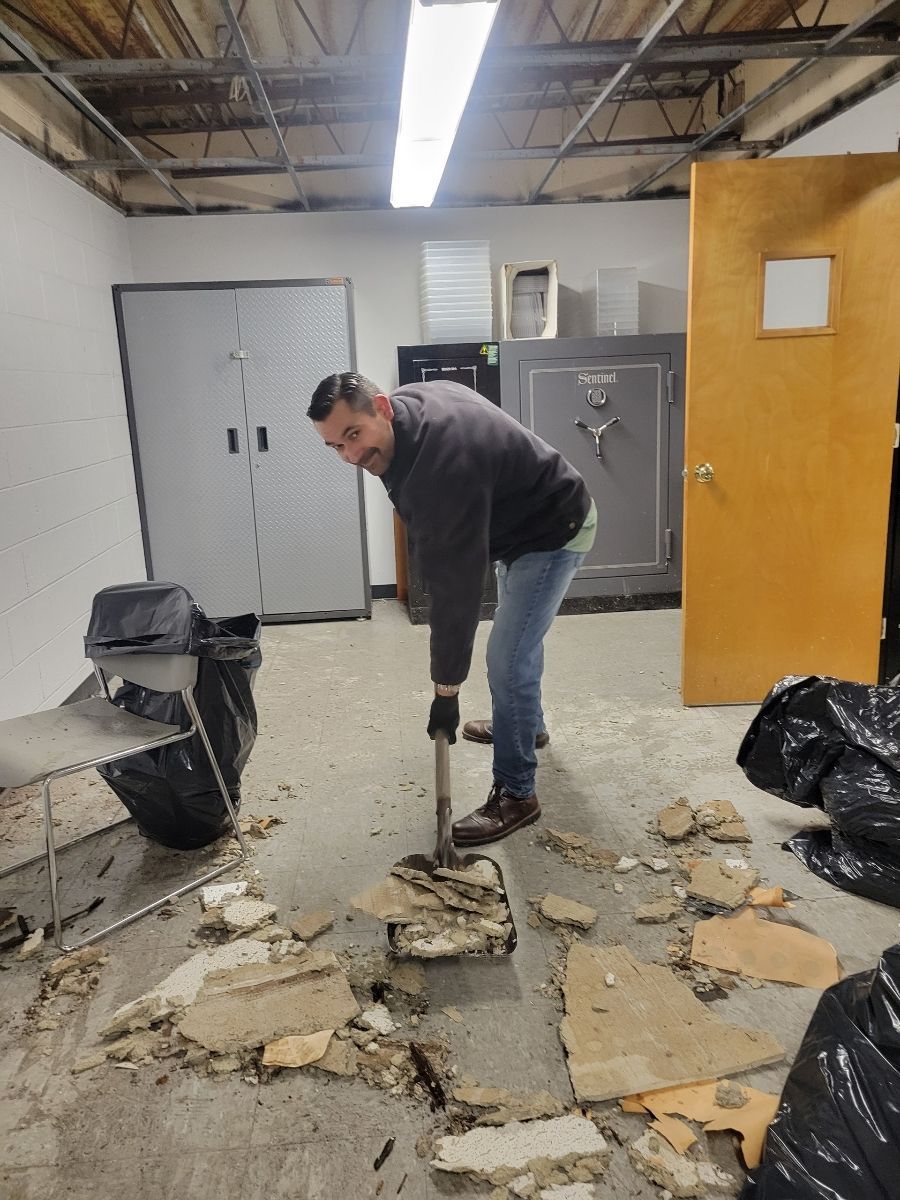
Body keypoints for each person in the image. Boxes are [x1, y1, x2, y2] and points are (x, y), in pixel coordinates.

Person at [307, 372, 597, 845]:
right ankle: (527, 728)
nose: (350, 456)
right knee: (521, 642)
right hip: (511, 523)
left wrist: (446, 693)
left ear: (381, 406)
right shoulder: (407, 411)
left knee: (507, 659)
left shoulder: (444, 467)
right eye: (336, 446)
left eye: (354, 435)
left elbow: (454, 592)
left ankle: (517, 793)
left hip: (552, 530)